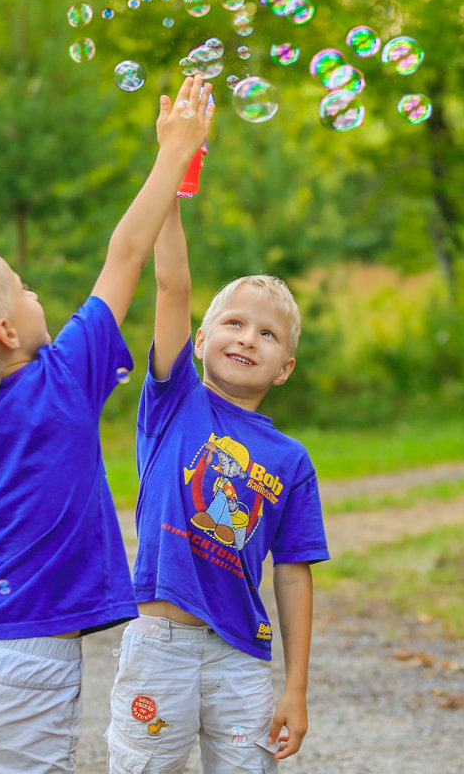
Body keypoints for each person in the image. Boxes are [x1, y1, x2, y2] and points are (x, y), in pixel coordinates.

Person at [0, 75, 215, 774]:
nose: (33, 291)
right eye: (21, 285)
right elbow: (125, 256)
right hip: (26, 665)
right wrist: (172, 155)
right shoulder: (62, 380)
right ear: (8, 331)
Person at [106, 191, 329, 771]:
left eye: (267, 334)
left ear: (284, 369)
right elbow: (171, 285)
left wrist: (295, 687)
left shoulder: (291, 458)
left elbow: (295, 571)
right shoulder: (173, 401)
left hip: (242, 658)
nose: (248, 338)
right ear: (199, 341)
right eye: (233, 323)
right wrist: (175, 188)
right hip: (160, 646)